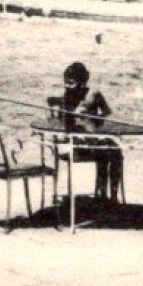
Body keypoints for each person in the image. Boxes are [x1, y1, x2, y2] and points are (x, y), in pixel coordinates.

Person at [49, 61, 122, 201]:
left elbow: (107, 112)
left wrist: (97, 118)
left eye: (70, 83)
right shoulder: (67, 97)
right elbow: (68, 123)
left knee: (114, 150)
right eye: (65, 82)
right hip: (77, 144)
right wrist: (77, 117)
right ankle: (104, 196)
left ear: (82, 82)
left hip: (92, 139)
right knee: (109, 153)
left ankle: (110, 195)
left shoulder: (94, 94)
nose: (66, 86)